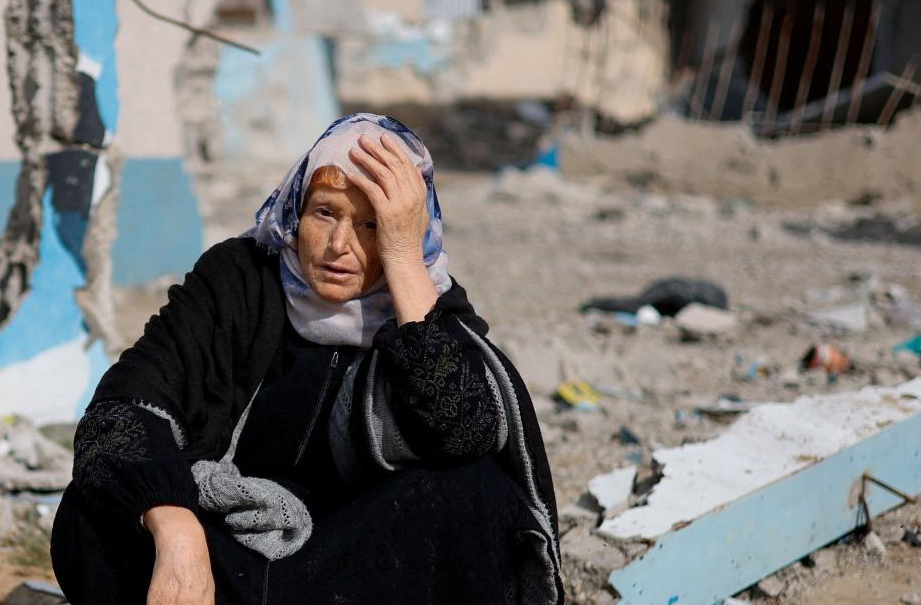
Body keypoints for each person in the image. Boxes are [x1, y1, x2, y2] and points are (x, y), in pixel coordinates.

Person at [52, 114, 563, 605]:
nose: (340, 245)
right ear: (297, 208)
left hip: (352, 563)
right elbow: (119, 411)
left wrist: (406, 259)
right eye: (325, 213)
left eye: (370, 224)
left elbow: (464, 432)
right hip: (225, 551)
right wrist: (175, 526)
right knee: (92, 510)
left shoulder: (424, 310)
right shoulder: (238, 280)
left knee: (478, 494)